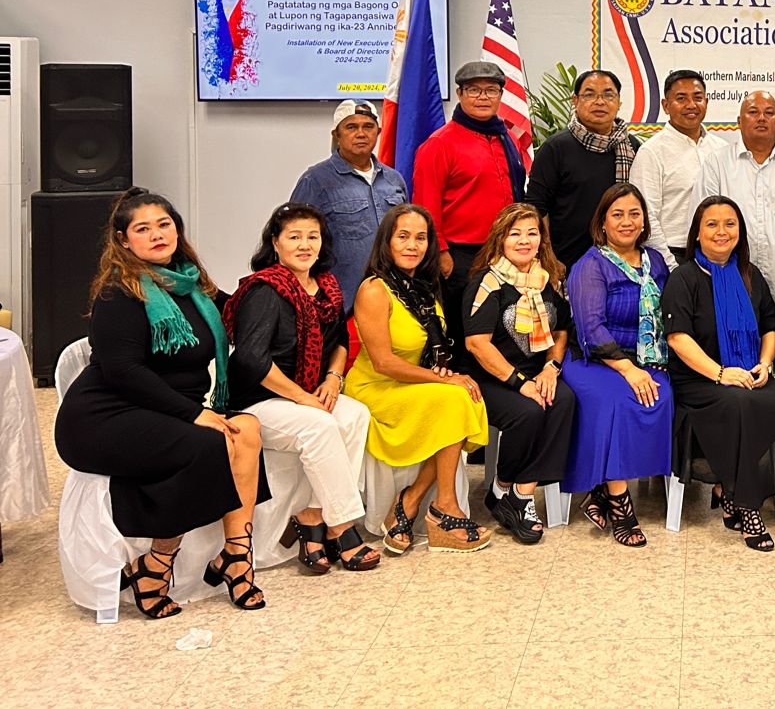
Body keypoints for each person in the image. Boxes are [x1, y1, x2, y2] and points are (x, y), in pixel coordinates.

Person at [55, 188, 268, 617]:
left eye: (164, 225)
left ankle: (236, 558)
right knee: (210, 444)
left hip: (161, 408)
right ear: (123, 240)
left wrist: (290, 279)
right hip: (103, 415)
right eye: (143, 229)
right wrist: (195, 414)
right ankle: (155, 565)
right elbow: (124, 373)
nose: (157, 235)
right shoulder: (120, 292)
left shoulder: (192, 284)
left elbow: (242, 310)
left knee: (248, 429)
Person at [222, 202, 381, 574]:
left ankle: (311, 516)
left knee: (355, 414)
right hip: (260, 401)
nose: (305, 244)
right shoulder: (265, 290)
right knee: (321, 424)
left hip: (309, 390)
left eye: (312, 236)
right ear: (275, 244)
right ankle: (342, 527)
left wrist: (332, 379)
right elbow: (251, 360)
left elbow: (341, 338)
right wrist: (302, 398)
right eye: (294, 237)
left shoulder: (325, 287)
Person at [344, 204, 492, 555]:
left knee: (464, 395)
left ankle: (413, 503)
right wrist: (444, 381)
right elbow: (383, 363)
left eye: (421, 238)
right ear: (387, 242)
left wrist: (449, 377)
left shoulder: (422, 287)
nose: (413, 245)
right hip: (376, 387)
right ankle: (443, 509)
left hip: (412, 382)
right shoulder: (374, 289)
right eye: (403, 237)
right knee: (455, 397)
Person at [663, 195, 775, 551]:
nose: (722, 232)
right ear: (697, 234)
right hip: (699, 378)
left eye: (730, 224)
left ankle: (729, 489)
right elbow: (677, 338)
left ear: (740, 232)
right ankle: (748, 505)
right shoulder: (683, 278)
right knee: (739, 404)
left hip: (750, 371)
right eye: (712, 225)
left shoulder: (750, 275)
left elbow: (769, 325)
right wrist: (720, 373)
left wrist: (764, 364)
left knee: (771, 400)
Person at [562, 183, 673, 548]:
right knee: (617, 402)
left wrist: (646, 366)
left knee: (659, 399)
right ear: (603, 223)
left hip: (647, 359)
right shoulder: (590, 265)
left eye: (634, 214)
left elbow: (669, 313)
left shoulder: (656, 261)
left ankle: (599, 493)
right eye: (618, 214)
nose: (627, 222)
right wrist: (628, 369)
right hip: (596, 361)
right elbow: (591, 328)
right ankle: (621, 503)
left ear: (644, 221)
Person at [463, 203, 578, 545]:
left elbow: (561, 332)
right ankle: (501, 487)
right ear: (500, 239)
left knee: (565, 401)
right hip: (490, 378)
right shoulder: (487, 282)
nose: (524, 241)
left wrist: (551, 369)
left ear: (541, 239)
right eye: (515, 234)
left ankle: (520, 494)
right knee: (527, 412)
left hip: (535, 372)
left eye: (532, 233)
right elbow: (477, 345)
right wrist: (519, 383)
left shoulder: (548, 279)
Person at [411, 61, 529, 366]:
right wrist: (441, 253)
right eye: (474, 90)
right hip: (460, 257)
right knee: (465, 330)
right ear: (460, 94)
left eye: (491, 90)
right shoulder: (439, 145)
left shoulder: (508, 139)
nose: (483, 97)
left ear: (501, 95)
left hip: (505, 254)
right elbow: (425, 206)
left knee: (501, 327)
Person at [289, 99, 408, 315]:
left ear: (379, 131)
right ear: (337, 135)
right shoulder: (315, 181)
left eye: (368, 127)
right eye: (351, 127)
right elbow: (293, 241)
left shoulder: (394, 180)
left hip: (396, 300)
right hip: (340, 307)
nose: (361, 134)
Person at [700, 90, 775, 299]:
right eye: (753, 112)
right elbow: (705, 225)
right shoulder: (717, 163)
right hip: (728, 284)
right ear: (739, 121)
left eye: (769, 113)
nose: (761, 118)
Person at [527, 69, 641, 270]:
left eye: (608, 94)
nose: (599, 102)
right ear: (575, 100)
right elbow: (537, 207)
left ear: (619, 101)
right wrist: (549, 258)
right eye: (589, 94)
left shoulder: (632, 147)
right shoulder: (556, 148)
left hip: (622, 263)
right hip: (567, 261)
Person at [633, 69, 729, 268]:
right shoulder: (651, 152)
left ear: (707, 102)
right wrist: (669, 265)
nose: (691, 105)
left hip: (719, 256)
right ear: (666, 106)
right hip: (672, 256)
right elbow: (646, 216)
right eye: (681, 98)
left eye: (697, 97)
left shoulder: (721, 149)